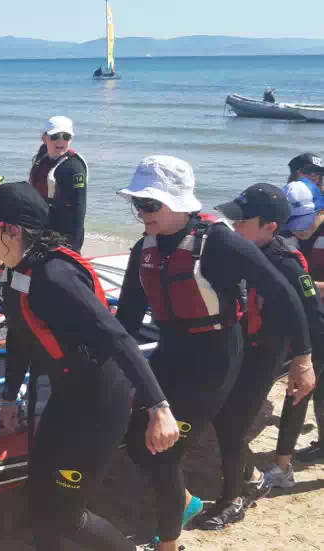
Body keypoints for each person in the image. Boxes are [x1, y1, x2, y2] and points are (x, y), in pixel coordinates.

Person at [0, 182, 178, 550]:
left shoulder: (55, 276)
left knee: (68, 514)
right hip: (67, 396)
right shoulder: (13, 270)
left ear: (12, 230)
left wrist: (159, 406)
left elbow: (117, 337)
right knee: (39, 496)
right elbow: (20, 333)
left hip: (100, 403)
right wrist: (10, 397)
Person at [115, 156, 313, 551]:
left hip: (216, 357)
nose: (141, 213)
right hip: (172, 350)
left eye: (149, 204)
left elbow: (285, 294)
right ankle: (185, 502)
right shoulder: (145, 249)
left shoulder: (220, 243)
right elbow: (128, 318)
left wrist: (304, 360)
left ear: (179, 201)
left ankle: (168, 543)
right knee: (136, 441)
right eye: (137, 204)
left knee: (166, 451)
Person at [194, 184, 319, 529]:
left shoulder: (288, 265)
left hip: (267, 354)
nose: (234, 226)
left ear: (270, 228)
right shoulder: (236, 249)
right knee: (221, 419)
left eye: (242, 221)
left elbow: (311, 316)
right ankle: (252, 477)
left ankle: (236, 497)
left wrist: (305, 363)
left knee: (232, 427)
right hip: (236, 347)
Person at [271, 179, 324, 466]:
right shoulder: (287, 233)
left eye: (304, 223)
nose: (299, 231)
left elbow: (300, 282)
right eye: (293, 225)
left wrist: (305, 284)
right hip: (307, 320)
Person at [27, 116, 88, 252]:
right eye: (55, 136)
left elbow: (79, 208)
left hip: (62, 236)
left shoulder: (74, 168)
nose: (61, 141)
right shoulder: (42, 160)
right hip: (40, 229)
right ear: (44, 138)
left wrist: (74, 247)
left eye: (66, 137)